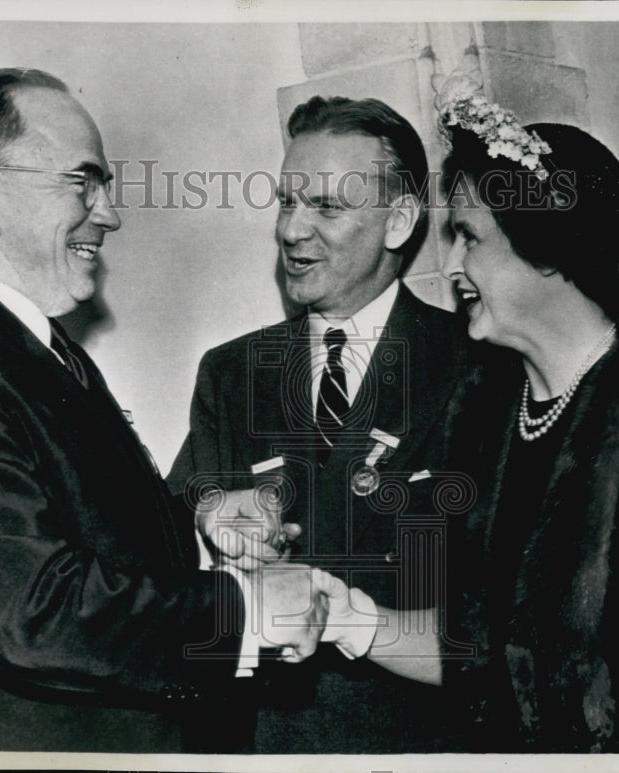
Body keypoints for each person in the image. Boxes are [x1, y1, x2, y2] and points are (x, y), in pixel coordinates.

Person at [0, 67, 331, 753]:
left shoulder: (25, 344)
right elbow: (31, 609)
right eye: (83, 181)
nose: (108, 212)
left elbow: (75, 528)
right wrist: (247, 609)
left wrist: (198, 524)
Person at [167, 95, 469, 753]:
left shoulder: (477, 367)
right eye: (286, 202)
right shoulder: (231, 373)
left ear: (399, 220)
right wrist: (210, 515)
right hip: (261, 742)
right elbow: (161, 544)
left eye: (327, 207)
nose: (292, 231)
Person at [431, 90, 619, 752]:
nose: (451, 268)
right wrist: (342, 613)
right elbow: (472, 646)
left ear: (546, 251)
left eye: (468, 237)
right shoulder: (481, 421)